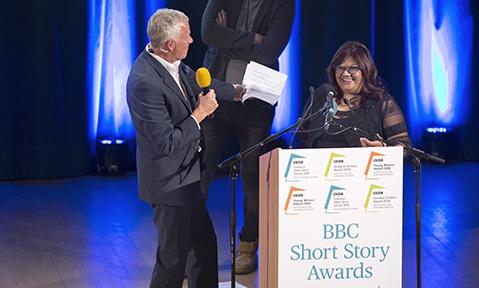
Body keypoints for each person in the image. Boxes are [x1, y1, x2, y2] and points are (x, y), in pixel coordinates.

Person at [126, 8, 238, 288]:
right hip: (169, 184)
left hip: (188, 177)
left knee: (203, 247)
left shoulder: (172, 62)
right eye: (187, 36)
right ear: (170, 45)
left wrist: (236, 90)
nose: (192, 40)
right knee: (173, 260)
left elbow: (198, 80)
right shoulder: (144, 82)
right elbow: (166, 142)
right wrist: (199, 114)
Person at [199, 0, 295, 274]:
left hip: (256, 102)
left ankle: (248, 245)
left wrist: (226, 35)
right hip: (217, 94)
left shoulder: (284, 4)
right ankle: (190, 245)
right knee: (201, 171)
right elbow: (207, 33)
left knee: (252, 176)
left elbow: (269, 52)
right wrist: (251, 38)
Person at [300, 41, 411, 149]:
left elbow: (404, 147)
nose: (345, 74)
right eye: (340, 68)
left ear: (366, 70)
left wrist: (384, 148)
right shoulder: (320, 97)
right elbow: (303, 137)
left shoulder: (381, 102)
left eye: (353, 68)